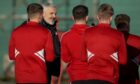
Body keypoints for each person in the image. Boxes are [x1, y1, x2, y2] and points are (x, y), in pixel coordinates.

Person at [8, 3, 54, 83]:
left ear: (28, 15)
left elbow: (12, 56)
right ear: (41, 15)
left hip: (21, 78)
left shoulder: (15, 32)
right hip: (39, 78)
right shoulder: (46, 32)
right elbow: (50, 57)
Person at [82, 3, 127, 84]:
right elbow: (123, 61)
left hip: (91, 77)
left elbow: (83, 57)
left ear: (97, 17)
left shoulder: (87, 32)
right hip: (110, 78)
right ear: (111, 18)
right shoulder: (119, 35)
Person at [61, 5, 89, 84]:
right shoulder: (94, 33)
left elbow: (65, 60)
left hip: (75, 77)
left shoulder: (66, 36)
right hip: (93, 75)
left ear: (73, 18)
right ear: (86, 17)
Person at [115, 14, 140, 84]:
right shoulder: (138, 40)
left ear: (116, 26)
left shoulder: (111, 40)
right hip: (133, 80)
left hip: (115, 80)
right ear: (128, 25)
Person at [40, 4, 61, 84]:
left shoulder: (54, 25)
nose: (54, 16)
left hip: (56, 58)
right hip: (45, 60)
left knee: (55, 79)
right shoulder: (40, 27)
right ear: (43, 14)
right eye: (51, 13)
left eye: (55, 13)